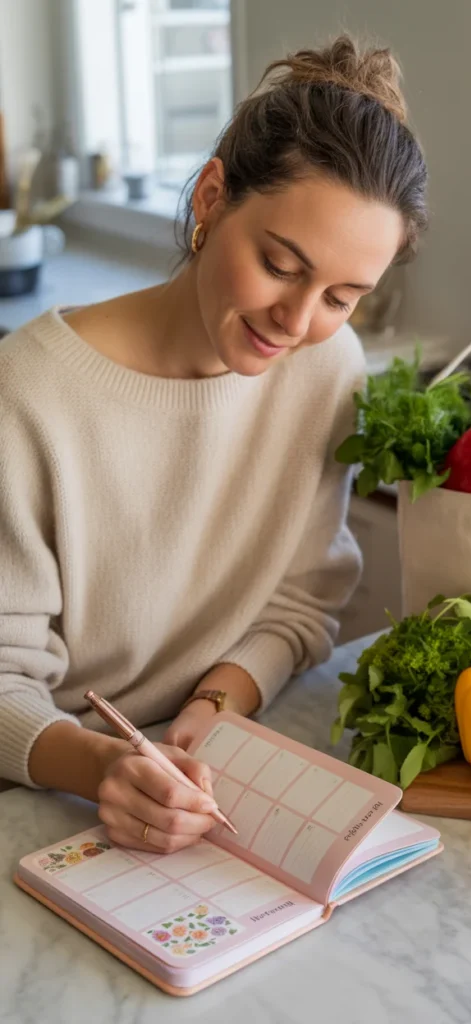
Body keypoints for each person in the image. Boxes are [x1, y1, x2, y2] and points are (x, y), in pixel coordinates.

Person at [0, 35, 427, 853]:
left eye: (342, 296)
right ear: (210, 197)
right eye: (278, 265)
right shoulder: (29, 395)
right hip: (37, 803)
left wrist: (212, 710)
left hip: (190, 777)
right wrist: (103, 768)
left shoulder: (324, 369)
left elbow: (301, 601)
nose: (297, 324)